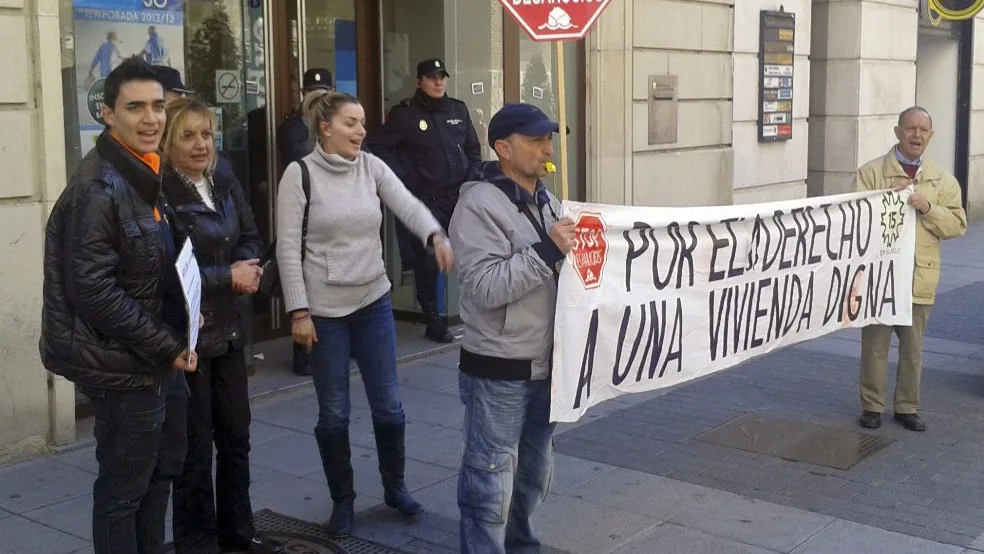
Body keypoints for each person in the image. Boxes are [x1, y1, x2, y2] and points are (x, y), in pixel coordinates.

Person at [276, 91, 454, 537]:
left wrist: (435, 234)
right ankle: (343, 501)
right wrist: (299, 311)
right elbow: (286, 249)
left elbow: (407, 203)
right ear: (326, 127)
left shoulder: (371, 167)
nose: (361, 131)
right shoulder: (298, 176)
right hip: (325, 311)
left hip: (373, 301)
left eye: (362, 123)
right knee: (334, 413)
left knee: (390, 407)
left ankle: (395, 487)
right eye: (352, 123)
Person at [39, 56, 198, 554]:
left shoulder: (144, 174)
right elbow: (93, 290)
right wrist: (167, 344)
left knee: (159, 477)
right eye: (135, 108)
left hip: (156, 360)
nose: (151, 118)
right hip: (126, 366)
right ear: (108, 114)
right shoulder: (99, 187)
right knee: (122, 495)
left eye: (157, 106)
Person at [449, 103, 575, 553]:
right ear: (503, 148)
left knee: (533, 474)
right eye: (536, 140)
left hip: (547, 365)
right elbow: (484, 287)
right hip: (499, 367)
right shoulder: (477, 205)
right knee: (490, 479)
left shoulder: (546, 199)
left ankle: (523, 546)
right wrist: (547, 251)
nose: (547, 149)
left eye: (549, 140)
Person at [161, 98, 282, 554]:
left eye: (207, 134)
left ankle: (239, 531)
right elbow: (168, 270)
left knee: (236, 439)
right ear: (171, 141)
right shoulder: (164, 194)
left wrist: (248, 267)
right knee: (194, 450)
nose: (200, 145)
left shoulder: (223, 181)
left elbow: (251, 234)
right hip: (189, 337)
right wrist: (227, 276)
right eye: (188, 135)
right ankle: (197, 542)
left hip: (231, 330)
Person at [856, 105, 967, 432]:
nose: (916, 135)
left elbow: (957, 225)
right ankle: (871, 407)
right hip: (880, 276)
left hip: (919, 277)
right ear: (897, 132)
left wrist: (928, 207)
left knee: (913, 349)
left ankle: (907, 407)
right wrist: (881, 203)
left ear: (930, 136)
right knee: (874, 347)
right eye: (910, 129)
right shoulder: (872, 173)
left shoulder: (942, 180)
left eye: (923, 130)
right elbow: (854, 217)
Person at [366, 58, 482, 343]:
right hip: (426, 200)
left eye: (441, 77)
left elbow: (473, 149)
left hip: (457, 198)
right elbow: (378, 147)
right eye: (431, 77)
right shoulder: (405, 115)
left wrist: (472, 180)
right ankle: (433, 318)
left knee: (474, 253)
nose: (438, 82)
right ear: (420, 81)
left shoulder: (458, 109)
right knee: (428, 262)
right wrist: (406, 178)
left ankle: (479, 313)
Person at [277, 67, 333, 376]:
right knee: (304, 283)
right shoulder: (294, 127)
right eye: (313, 94)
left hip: (331, 215)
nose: (318, 100)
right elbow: (299, 158)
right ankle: (303, 352)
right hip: (303, 214)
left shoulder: (335, 125)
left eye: (324, 94)